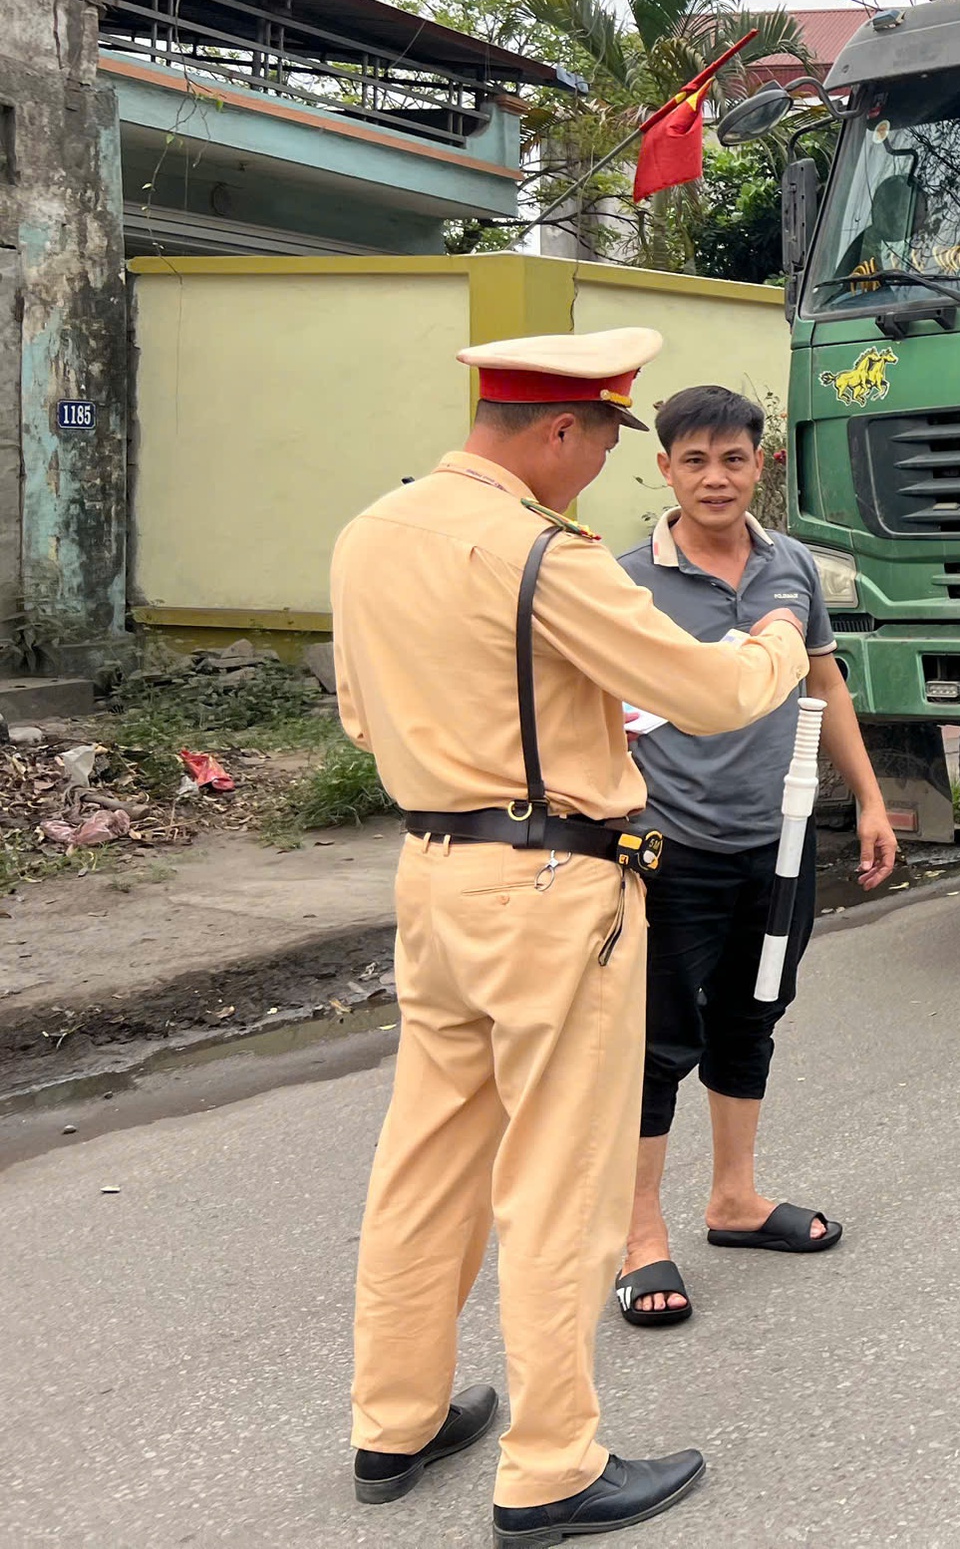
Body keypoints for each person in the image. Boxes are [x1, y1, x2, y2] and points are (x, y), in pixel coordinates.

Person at [331, 327, 812, 1545]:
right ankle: (551, 1466)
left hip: (432, 875)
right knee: (561, 1181)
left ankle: (395, 1419)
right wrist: (776, 631)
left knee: (425, 1162)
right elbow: (710, 695)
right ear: (558, 429)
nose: (603, 465)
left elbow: (360, 719)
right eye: (603, 440)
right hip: (550, 891)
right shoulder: (544, 551)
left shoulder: (371, 533)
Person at [612, 385, 897, 1327]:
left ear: (758, 464)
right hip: (670, 847)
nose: (715, 478)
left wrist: (869, 799)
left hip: (779, 845)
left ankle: (733, 1199)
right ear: (665, 469)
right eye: (694, 461)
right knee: (657, 1042)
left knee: (751, 1017)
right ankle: (639, 1236)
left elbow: (824, 682)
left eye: (732, 459)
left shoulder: (792, 565)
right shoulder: (623, 581)